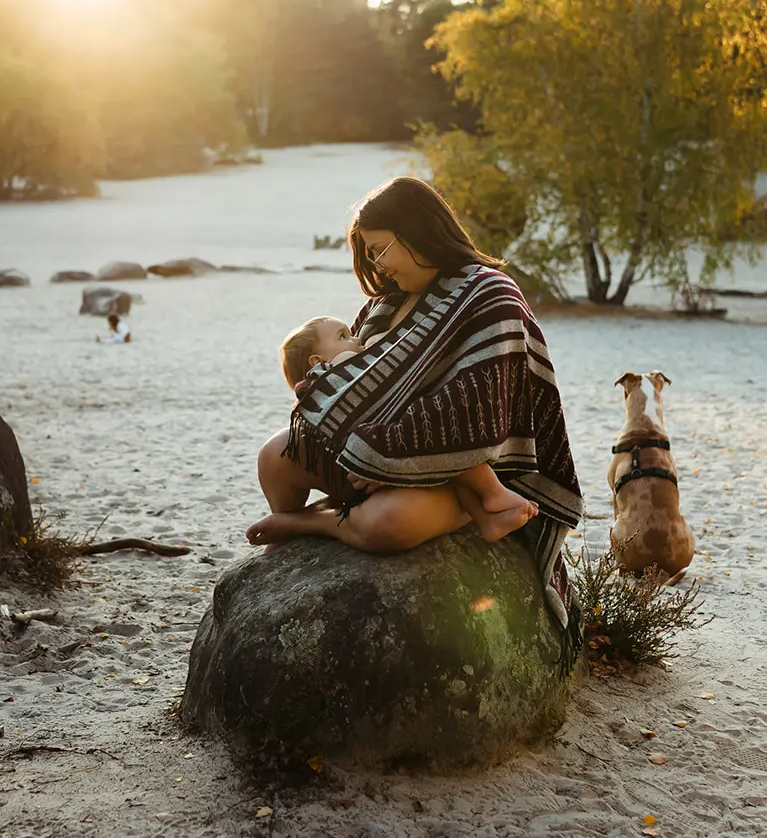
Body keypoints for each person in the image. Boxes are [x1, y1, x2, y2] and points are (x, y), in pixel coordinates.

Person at [247, 176, 584, 630]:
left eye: (382, 249)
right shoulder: (383, 306)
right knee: (274, 457)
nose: (378, 266)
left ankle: (309, 523)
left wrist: (389, 449)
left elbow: (480, 405)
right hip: (370, 456)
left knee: (390, 524)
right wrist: (367, 445)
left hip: (460, 472)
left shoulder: (489, 294)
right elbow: (358, 385)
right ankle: (314, 523)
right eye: (370, 254)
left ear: (416, 233)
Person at [278, 316, 539, 542]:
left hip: (367, 459)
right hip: (380, 450)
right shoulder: (340, 369)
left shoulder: (312, 395)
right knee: (446, 442)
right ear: (317, 360)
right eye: (343, 335)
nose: (356, 339)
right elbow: (384, 353)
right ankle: (492, 493)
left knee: (451, 469)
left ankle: (486, 519)